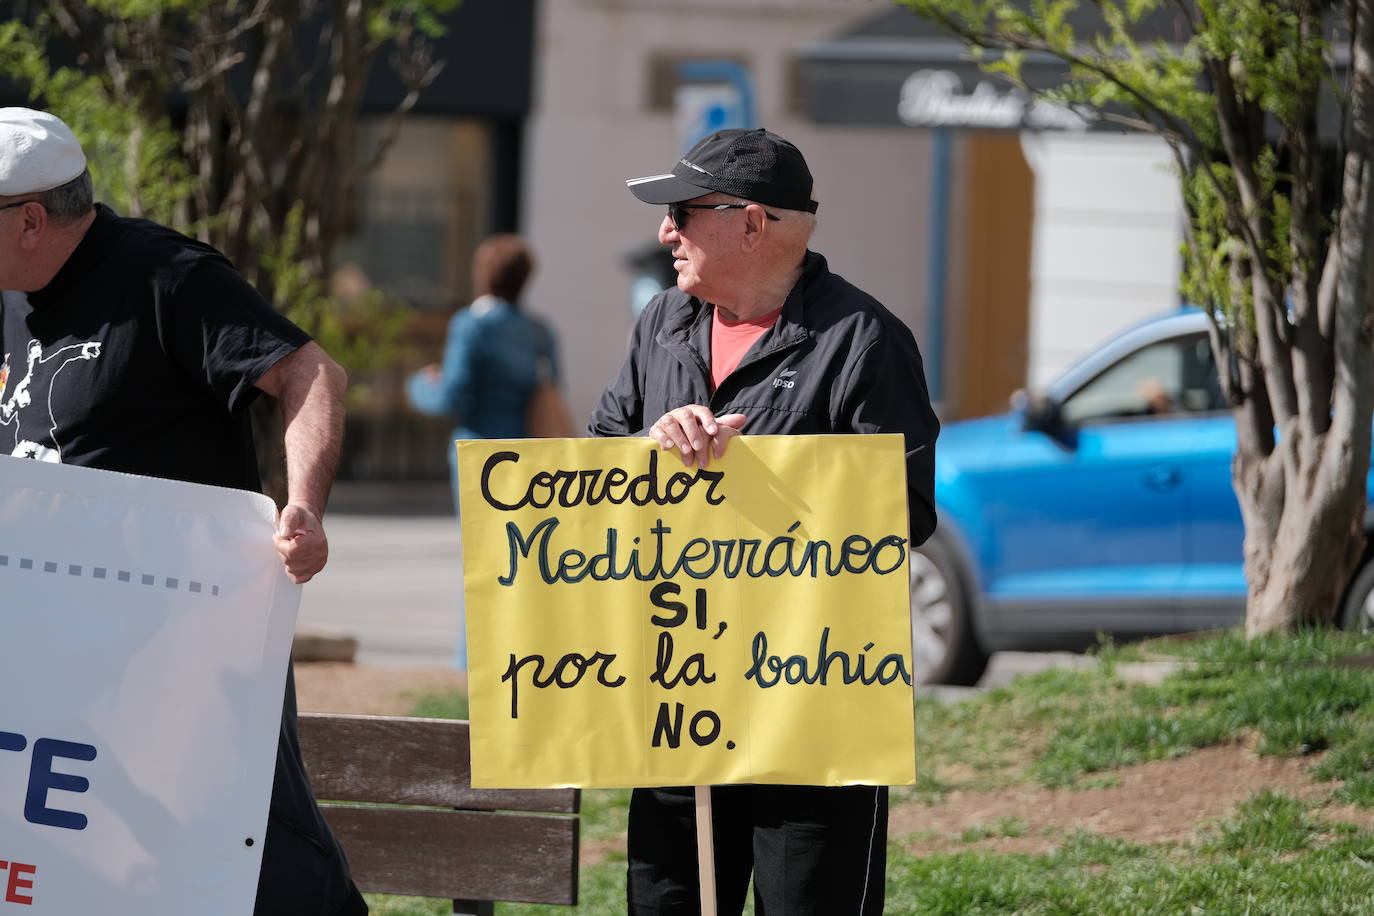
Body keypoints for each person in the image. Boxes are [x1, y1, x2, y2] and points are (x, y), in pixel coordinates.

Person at [0, 108, 365, 916]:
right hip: (52, 643)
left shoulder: (166, 276)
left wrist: (303, 506)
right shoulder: (11, 292)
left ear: (30, 220)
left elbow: (312, 374)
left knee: (254, 845)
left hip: (187, 643)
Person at [590, 127, 940, 915]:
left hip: (809, 710)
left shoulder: (864, 340)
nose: (665, 232)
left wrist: (755, 478)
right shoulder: (662, 322)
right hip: (680, 691)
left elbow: (906, 514)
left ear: (751, 223)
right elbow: (600, 458)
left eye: (682, 212)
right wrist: (651, 447)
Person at [406, 234, 565, 667]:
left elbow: (453, 397)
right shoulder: (540, 331)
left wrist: (419, 385)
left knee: (480, 561)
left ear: (483, 274)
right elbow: (551, 397)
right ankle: (520, 655)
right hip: (530, 458)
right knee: (521, 560)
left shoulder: (471, 325)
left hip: (480, 458)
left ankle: (472, 662)